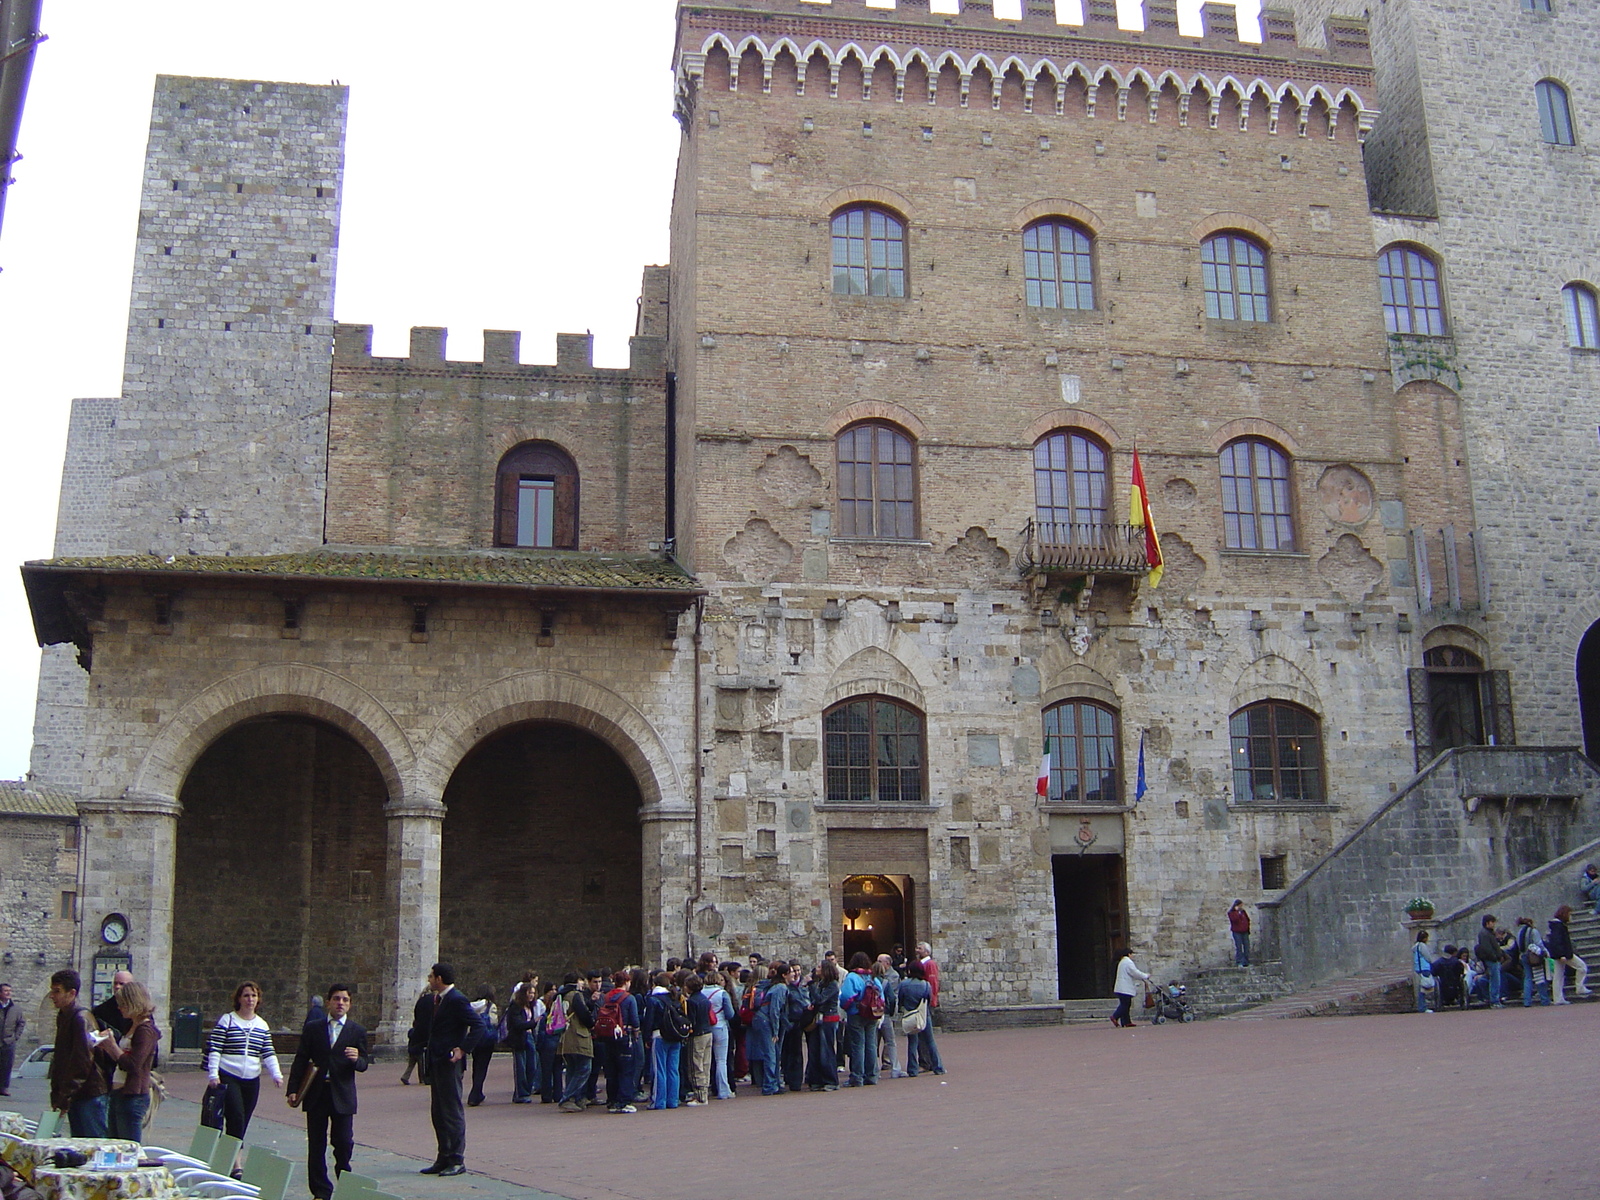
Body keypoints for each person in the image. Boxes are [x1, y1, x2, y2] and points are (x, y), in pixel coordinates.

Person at [285, 984, 369, 1200]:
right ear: (329, 1002)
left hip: (342, 1093)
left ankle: (344, 1181)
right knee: (316, 1143)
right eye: (336, 999)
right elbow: (301, 1058)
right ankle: (321, 1191)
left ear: (349, 1004)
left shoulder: (356, 1031)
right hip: (317, 1092)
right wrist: (293, 1088)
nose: (340, 1003)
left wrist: (356, 1059)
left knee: (343, 1142)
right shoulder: (314, 1028)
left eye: (345, 1000)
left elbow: (364, 1063)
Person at [407, 962, 479, 1176]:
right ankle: (443, 1156)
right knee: (438, 1111)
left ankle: (457, 1159)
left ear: (439, 979)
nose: (429, 980)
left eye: (431, 976)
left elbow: (479, 1025)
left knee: (451, 1111)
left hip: (450, 1063)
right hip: (436, 1061)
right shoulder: (436, 1000)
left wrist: (463, 1049)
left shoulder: (457, 1000)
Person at [205, 981, 283, 1156]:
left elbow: (268, 1052)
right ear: (239, 998)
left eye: (254, 996)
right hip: (229, 1074)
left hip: (251, 1079)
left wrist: (276, 1074)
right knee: (236, 1116)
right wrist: (213, 1074)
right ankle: (236, 1160)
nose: (250, 999)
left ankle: (227, 1154)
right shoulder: (228, 1020)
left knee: (243, 1120)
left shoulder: (262, 1025)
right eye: (246, 995)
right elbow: (215, 1048)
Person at [48, 969, 109, 1136]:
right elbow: (61, 1058)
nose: (52, 996)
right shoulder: (64, 1016)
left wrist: (65, 1094)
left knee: (94, 1144)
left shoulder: (80, 1018)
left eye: (57, 991)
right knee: (79, 1142)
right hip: (76, 1094)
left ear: (72, 993)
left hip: (88, 1092)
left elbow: (82, 1060)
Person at [98, 981, 160, 1139]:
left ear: (134, 1003)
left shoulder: (145, 1031)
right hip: (120, 1093)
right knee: (114, 1144)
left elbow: (133, 1064)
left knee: (128, 1148)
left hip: (133, 1096)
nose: (119, 1008)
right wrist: (107, 1047)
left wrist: (112, 1046)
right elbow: (122, 1059)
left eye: (123, 1004)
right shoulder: (132, 1026)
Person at [556, 973, 595, 1113]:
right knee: (585, 1067)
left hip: (565, 1036)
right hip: (578, 1035)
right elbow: (584, 1014)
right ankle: (567, 1098)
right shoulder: (575, 995)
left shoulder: (560, 995)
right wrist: (592, 1022)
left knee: (572, 1069)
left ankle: (576, 1098)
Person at [91, 970, 135, 1091]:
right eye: (115, 983)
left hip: (132, 1079)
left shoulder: (140, 1015)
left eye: (122, 984)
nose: (117, 987)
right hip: (108, 1070)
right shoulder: (101, 1011)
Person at [839, 952, 879, 1086]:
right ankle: (872, 1075)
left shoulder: (852, 977)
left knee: (858, 1045)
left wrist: (847, 1008)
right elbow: (881, 996)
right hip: (872, 1014)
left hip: (856, 1013)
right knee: (871, 1045)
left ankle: (857, 1077)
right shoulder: (873, 977)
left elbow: (846, 996)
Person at [899, 959, 944, 1075]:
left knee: (912, 1043)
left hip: (910, 1014)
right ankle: (938, 1067)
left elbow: (901, 1000)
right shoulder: (925, 984)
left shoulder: (904, 984)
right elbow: (928, 999)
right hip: (924, 1014)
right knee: (930, 1041)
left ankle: (913, 1069)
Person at [806, 961, 841, 1091]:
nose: (817, 969)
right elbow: (816, 999)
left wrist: (811, 985)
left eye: (819, 967)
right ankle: (816, 1080)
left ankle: (831, 1080)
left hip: (828, 1018)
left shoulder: (832, 985)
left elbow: (821, 999)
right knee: (815, 1049)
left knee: (826, 1050)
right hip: (819, 1019)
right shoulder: (821, 984)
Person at [1546, 905, 1591, 1003]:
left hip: (1559, 953)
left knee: (1558, 976)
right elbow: (1558, 941)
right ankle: (1579, 987)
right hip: (1564, 953)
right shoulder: (1559, 926)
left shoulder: (1556, 925)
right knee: (1582, 967)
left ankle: (1558, 998)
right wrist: (1562, 954)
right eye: (1570, 915)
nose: (1571, 917)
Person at [703, 968, 735, 1100]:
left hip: (706, 1028)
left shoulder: (701, 992)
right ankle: (724, 1090)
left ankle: (705, 1089)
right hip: (720, 1026)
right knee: (721, 1060)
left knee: (705, 1061)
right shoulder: (722, 993)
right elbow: (730, 1014)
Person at [506, 982, 539, 1103]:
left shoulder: (530, 1006)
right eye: (529, 993)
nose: (531, 995)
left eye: (533, 993)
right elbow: (517, 1024)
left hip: (530, 1037)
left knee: (532, 1065)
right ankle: (521, 1094)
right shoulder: (515, 1006)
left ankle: (526, 1090)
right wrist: (533, 1023)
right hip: (519, 1039)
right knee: (521, 1067)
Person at [465, 987, 497, 1107]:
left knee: (476, 1066)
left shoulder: (471, 1005)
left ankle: (478, 1092)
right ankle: (475, 1094)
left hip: (475, 1039)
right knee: (482, 1068)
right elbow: (494, 1021)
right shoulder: (490, 1006)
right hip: (487, 1040)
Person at [873, 954, 903, 1079]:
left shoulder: (871, 980)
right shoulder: (886, 982)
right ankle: (895, 1068)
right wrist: (890, 1012)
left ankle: (874, 1069)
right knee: (890, 1041)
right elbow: (891, 998)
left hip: (874, 1014)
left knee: (874, 1042)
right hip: (883, 1014)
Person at [1514, 917, 1550, 1007]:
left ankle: (1527, 1001)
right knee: (1539, 977)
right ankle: (1544, 1000)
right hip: (1534, 956)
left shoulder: (1519, 932)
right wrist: (1545, 952)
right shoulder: (1533, 931)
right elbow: (1539, 943)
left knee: (1527, 978)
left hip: (1523, 956)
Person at [398, 986, 430, 1086]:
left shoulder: (420, 1002)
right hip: (420, 1042)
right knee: (421, 1062)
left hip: (413, 1043)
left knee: (411, 1063)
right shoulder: (431, 1001)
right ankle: (422, 1078)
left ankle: (405, 1076)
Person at [1474, 914, 1508, 1008]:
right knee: (1495, 981)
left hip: (1493, 959)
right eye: (1492, 922)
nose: (1493, 924)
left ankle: (1494, 1000)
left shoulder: (1487, 933)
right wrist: (1495, 957)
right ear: (1487, 923)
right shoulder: (1485, 934)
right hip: (1492, 960)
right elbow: (1488, 948)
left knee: (1495, 980)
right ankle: (1494, 1001)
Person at [1111, 948, 1149, 1028]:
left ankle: (1126, 1021)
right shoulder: (1128, 962)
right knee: (1125, 1004)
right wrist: (1145, 976)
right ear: (1128, 954)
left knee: (1125, 1004)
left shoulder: (1122, 962)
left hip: (1121, 987)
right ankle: (1115, 1016)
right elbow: (1134, 972)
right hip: (1125, 988)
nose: (1133, 956)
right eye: (1132, 954)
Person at [0, 983, 23, 1097]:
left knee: (6, 1065)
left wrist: (15, 1037)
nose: (8, 993)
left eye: (9, 991)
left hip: (8, 1041)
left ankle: (3, 1087)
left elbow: (21, 1023)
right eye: (5, 991)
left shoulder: (15, 1009)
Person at [1412, 930, 1435, 1013]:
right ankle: (1423, 1007)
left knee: (1422, 988)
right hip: (1424, 967)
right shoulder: (1422, 946)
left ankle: (1423, 1006)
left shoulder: (1416, 946)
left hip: (1418, 968)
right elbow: (1427, 956)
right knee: (1425, 988)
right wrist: (1431, 962)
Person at [1228, 900, 1251, 967]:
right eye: (1240, 905)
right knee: (1239, 947)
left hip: (1245, 931)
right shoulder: (1231, 913)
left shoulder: (1243, 912)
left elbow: (1247, 920)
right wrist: (1237, 913)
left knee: (1247, 947)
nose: (1241, 907)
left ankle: (1246, 961)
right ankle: (1239, 961)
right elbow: (1235, 920)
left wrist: (1247, 928)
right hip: (1237, 932)